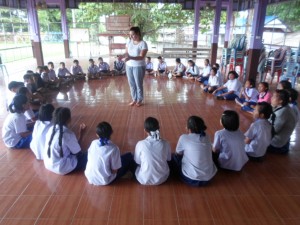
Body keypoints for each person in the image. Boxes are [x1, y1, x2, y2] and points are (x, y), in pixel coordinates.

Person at [173, 116, 217, 186]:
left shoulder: (184, 137)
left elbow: (178, 154)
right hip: (209, 178)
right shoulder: (207, 136)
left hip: (191, 179)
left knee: (174, 157)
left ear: (188, 128)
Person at [44, 107, 87, 175]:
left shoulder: (50, 129)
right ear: (69, 119)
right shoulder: (68, 134)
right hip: (62, 167)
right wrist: (81, 134)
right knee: (88, 154)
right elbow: (77, 152)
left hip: (48, 164)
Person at [134, 117, 171, 185]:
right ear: (158, 128)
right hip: (162, 178)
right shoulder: (166, 143)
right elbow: (168, 159)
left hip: (143, 179)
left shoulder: (140, 144)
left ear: (145, 130)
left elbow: (137, 161)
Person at [123, 26, 148, 107]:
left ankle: (139, 100)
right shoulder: (129, 41)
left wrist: (130, 57)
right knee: (131, 84)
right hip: (129, 65)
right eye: (130, 35)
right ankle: (134, 99)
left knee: (138, 84)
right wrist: (122, 56)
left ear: (138, 34)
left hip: (138, 66)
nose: (131, 36)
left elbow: (141, 57)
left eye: (133, 34)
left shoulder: (143, 44)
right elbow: (126, 53)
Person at [267, 90, 297, 154]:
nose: (271, 98)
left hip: (276, 144)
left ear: (281, 101)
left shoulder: (283, 112)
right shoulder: (284, 107)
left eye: (274, 97)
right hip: (284, 140)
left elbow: (273, 131)